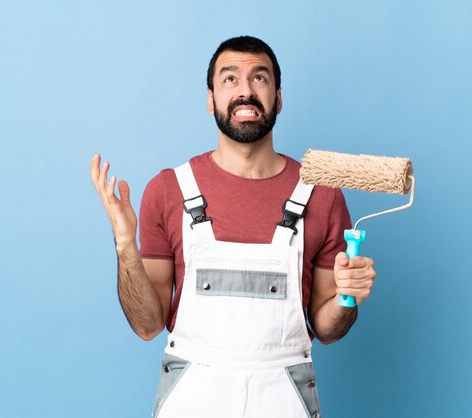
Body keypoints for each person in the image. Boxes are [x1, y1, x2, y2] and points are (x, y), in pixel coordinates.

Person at [90, 35, 376, 418]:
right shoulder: (168, 190)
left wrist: (348, 297)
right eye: (230, 79)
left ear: (278, 97)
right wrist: (125, 246)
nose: (245, 91)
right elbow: (147, 325)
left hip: (284, 398)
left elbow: (327, 328)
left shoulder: (321, 195)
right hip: (191, 399)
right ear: (210, 100)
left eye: (260, 78)